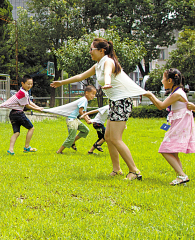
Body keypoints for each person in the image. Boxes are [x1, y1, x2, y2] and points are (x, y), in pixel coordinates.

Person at [51, 38, 146, 180]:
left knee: (115, 138)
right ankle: (116, 169)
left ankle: (134, 171)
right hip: (114, 102)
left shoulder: (108, 61)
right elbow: (80, 76)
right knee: (107, 137)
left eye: (92, 49)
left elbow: (108, 73)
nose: (90, 52)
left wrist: (107, 83)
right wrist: (61, 82)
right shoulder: (98, 65)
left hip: (122, 101)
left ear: (101, 51)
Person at [144, 68, 195, 185]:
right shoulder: (177, 92)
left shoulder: (178, 93)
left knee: (165, 149)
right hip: (179, 123)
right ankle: (181, 177)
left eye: (163, 78)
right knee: (174, 152)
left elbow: (161, 105)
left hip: (181, 124)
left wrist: (150, 95)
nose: (162, 81)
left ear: (170, 80)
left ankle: (182, 176)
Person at [0, 75, 44, 155]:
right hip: (18, 114)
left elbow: (29, 102)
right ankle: (27, 147)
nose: (30, 86)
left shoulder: (23, 92)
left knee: (16, 133)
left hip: (12, 114)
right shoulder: (23, 93)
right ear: (22, 83)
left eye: (31, 84)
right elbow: (27, 105)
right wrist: (37, 109)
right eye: (28, 84)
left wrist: (38, 107)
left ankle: (11, 150)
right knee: (31, 128)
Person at [56, 85, 96, 154]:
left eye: (94, 94)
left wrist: (89, 118)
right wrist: (86, 120)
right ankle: (59, 151)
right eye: (92, 94)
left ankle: (73, 142)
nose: (94, 96)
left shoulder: (85, 100)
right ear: (87, 93)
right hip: (71, 120)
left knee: (85, 130)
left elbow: (84, 112)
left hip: (74, 119)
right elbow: (81, 111)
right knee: (71, 137)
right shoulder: (84, 100)